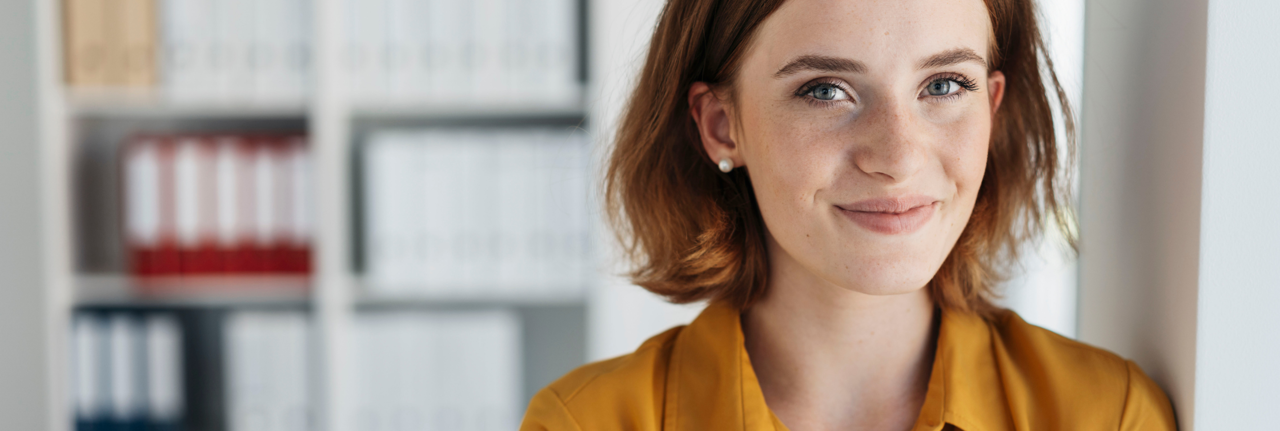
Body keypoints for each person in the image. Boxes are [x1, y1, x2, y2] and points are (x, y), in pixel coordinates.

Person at [521, 0, 1177, 429]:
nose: (896, 156)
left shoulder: (1105, 415)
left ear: (993, 107)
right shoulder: (586, 421)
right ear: (722, 125)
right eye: (825, 90)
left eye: (944, 85)